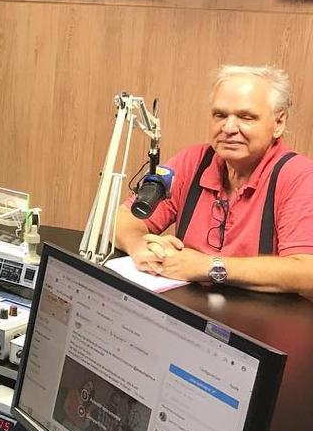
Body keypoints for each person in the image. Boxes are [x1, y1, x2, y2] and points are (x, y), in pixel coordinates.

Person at [115, 65, 313, 294]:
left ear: (279, 123)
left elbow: (306, 271)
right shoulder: (193, 161)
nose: (228, 128)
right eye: (220, 115)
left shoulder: (299, 177)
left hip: (258, 325)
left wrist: (208, 267)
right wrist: (141, 247)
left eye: (246, 117)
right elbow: (123, 218)